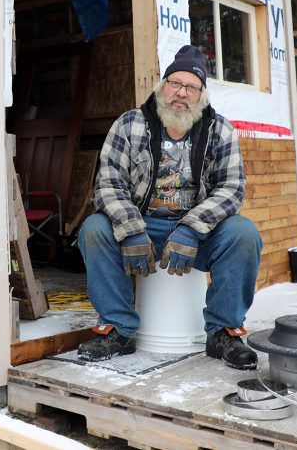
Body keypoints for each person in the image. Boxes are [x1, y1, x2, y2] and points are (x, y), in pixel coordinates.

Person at [76, 45, 263, 369]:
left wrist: (191, 229)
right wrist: (131, 231)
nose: (182, 93)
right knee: (94, 230)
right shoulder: (129, 124)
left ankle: (223, 332)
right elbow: (108, 184)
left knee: (243, 233)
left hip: (196, 232)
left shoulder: (221, 130)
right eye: (175, 83)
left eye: (192, 87)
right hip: (141, 225)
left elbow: (231, 189)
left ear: (202, 94)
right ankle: (118, 330)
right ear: (162, 87)